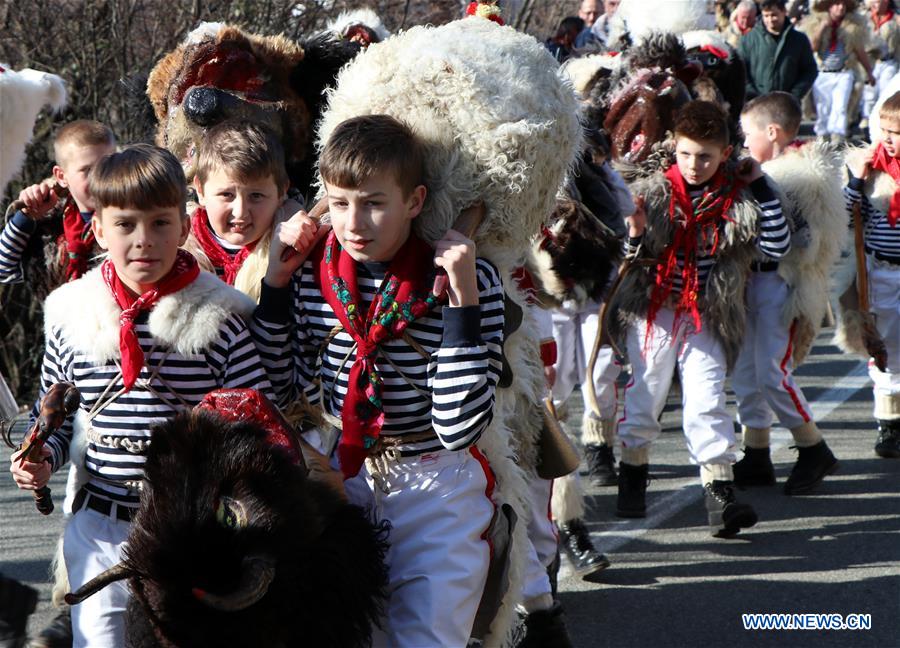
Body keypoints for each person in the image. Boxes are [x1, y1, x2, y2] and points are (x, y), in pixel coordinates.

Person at [251, 114, 505, 646]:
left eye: (374, 203)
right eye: (340, 204)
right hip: (340, 479)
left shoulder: (468, 276)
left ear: (414, 201)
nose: (354, 223)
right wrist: (274, 287)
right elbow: (277, 388)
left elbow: (460, 426)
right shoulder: (310, 275)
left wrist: (462, 304)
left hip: (435, 484)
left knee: (429, 638)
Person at [8, 144, 271, 647]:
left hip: (184, 534)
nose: (143, 241)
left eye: (159, 224)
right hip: (98, 525)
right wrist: (41, 456)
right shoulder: (71, 315)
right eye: (125, 225)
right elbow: (58, 413)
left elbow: (251, 431)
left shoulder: (220, 319)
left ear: (185, 225)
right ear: (100, 229)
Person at [610, 100, 789, 538]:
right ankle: (632, 473)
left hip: (707, 314)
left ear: (725, 154)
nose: (694, 165)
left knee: (708, 399)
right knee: (644, 397)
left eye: (706, 156)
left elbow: (778, 246)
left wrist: (761, 185)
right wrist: (633, 235)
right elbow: (623, 263)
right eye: (686, 153)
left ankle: (719, 494)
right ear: (674, 147)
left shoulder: (739, 198)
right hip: (655, 312)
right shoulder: (651, 194)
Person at [733, 92, 840, 492]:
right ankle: (756, 453)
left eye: (748, 136)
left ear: (772, 133)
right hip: (751, 281)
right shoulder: (761, 170)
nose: (744, 144)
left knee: (773, 373)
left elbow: (806, 245)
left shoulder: (801, 178)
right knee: (746, 372)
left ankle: (814, 448)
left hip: (782, 283)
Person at [843, 90, 900, 458]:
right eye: (884, 131)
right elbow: (846, 217)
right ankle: (888, 424)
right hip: (879, 271)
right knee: (884, 348)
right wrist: (855, 182)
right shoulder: (869, 170)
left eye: (896, 133)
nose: (888, 140)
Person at [0, 120, 116, 286]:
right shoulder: (49, 231)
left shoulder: (132, 213)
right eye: (87, 170)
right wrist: (27, 216)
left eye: (107, 166)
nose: (99, 178)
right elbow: (3, 269)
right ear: (62, 176)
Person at [186, 120, 292, 300]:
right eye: (227, 195)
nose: (240, 212)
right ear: (201, 190)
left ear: (281, 192)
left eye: (256, 196)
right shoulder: (176, 252)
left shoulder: (291, 254)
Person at [807, 0, 875, 143]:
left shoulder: (852, 29)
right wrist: (821, 28)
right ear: (829, 7)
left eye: (843, 4)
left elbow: (860, 51)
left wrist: (869, 71)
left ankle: (838, 137)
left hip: (844, 72)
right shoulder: (817, 24)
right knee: (823, 107)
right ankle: (823, 137)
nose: (841, 7)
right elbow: (812, 48)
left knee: (840, 106)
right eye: (837, 4)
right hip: (823, 72)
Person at [738, 0, 819, 102]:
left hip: (788, 105)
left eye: (774, 15)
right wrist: (752, 95)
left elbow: (810, 70)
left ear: (784, 12)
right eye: (766, 16)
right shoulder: (748, 40)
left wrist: (795, 94)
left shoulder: (799, 40)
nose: (770, 20)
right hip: (756, 105)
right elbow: (740, 70)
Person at [859, 0, 900, 132]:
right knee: (869, 93)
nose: (875, 5)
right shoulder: (864, 18)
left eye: (878, 1)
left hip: (888, 61)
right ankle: (866, 121)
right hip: (871, 61)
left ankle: (882, 122)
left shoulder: (894, 19)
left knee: (885, 91)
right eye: (873, 2)